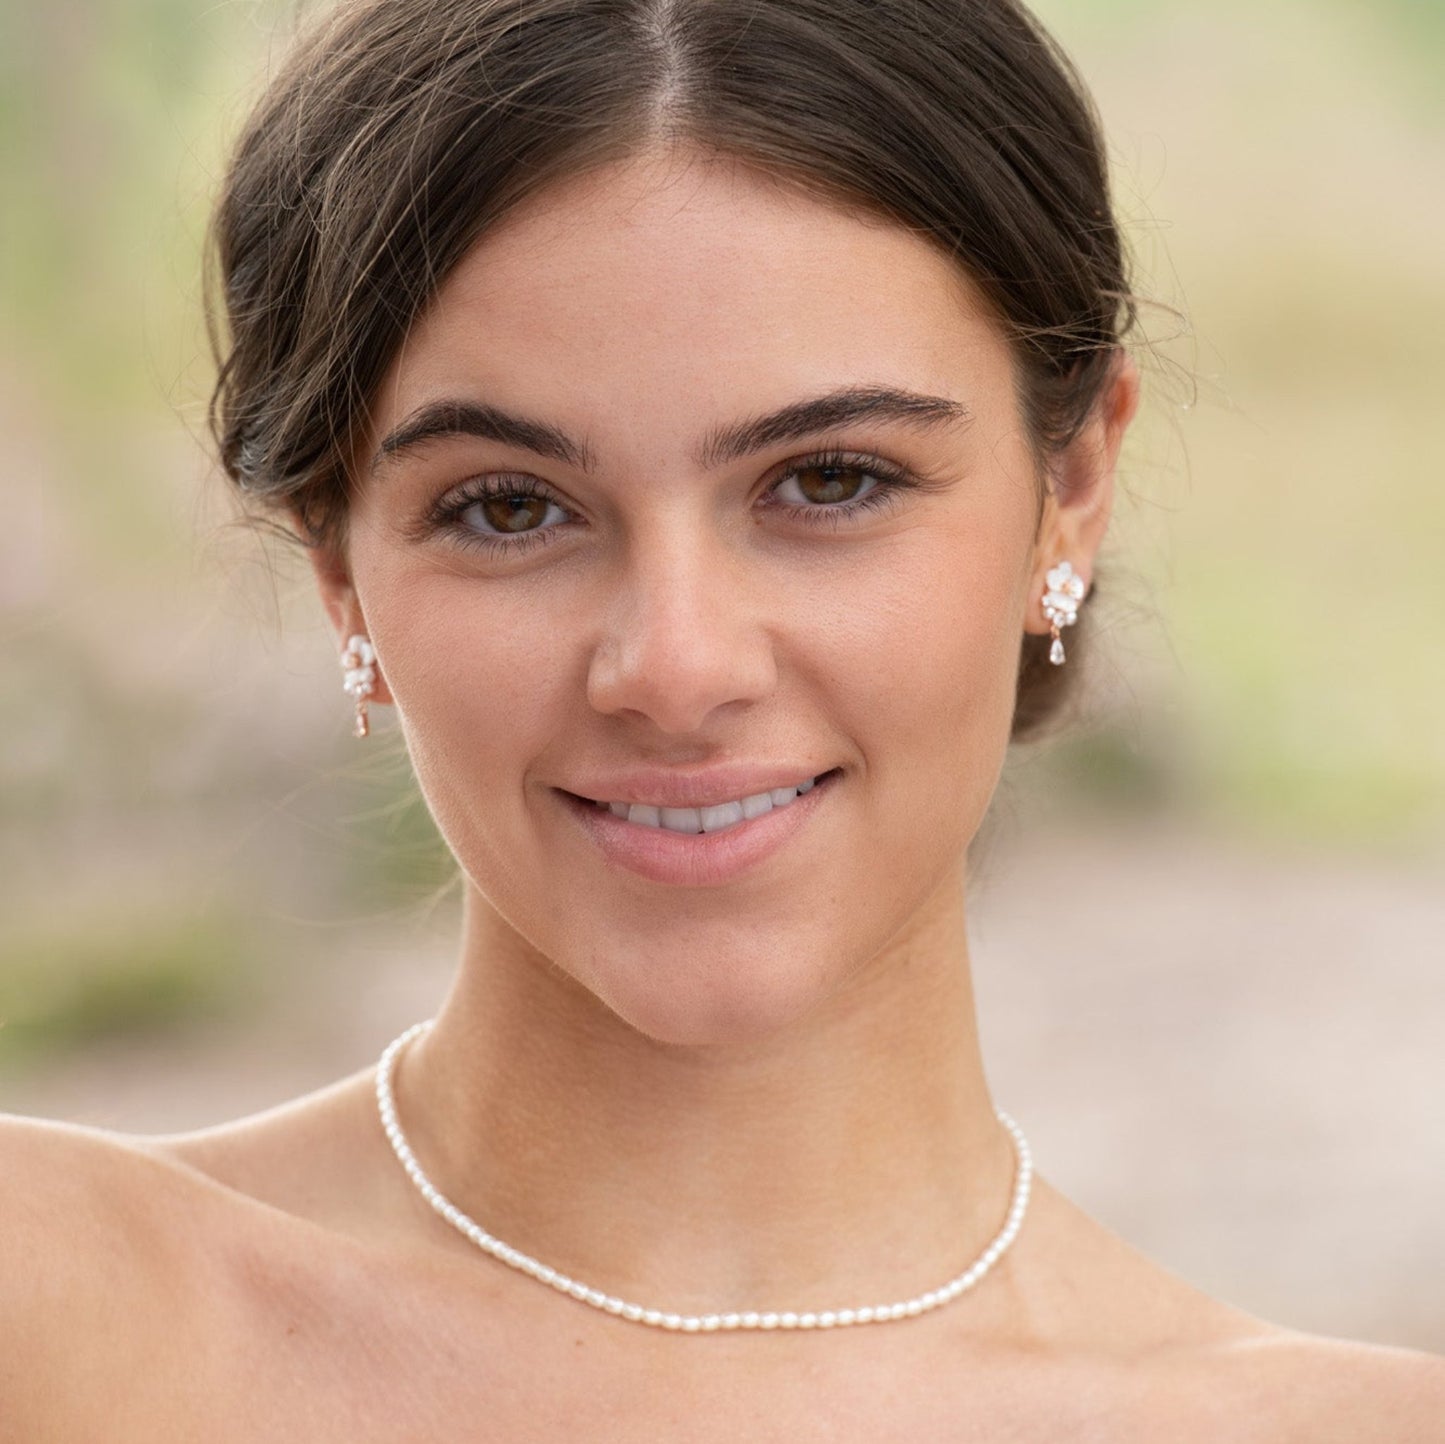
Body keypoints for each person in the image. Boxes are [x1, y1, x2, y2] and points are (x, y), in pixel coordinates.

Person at [5, 0, 1442, 1436]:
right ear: (340, 569)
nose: (677, 668)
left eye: (828, 483)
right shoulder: (54, 1308)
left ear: (1068, 488)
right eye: (509, 508)